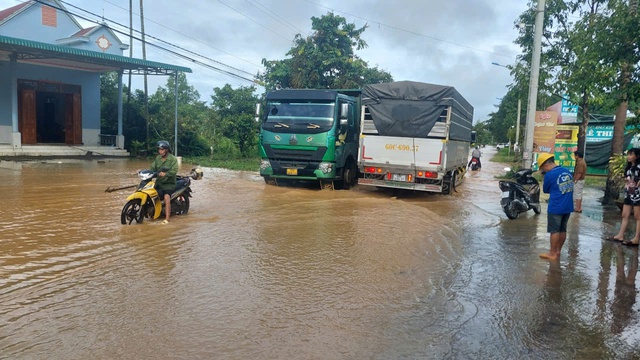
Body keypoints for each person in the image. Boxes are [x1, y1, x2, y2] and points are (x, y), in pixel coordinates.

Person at [537, 153, 574, 260]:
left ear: (546, 165)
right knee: (563, 230)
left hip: (556, 206)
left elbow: (546, 190)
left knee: (554, 231)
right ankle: (558, 251)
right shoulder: (567, 171)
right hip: (567, 206)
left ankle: (552, 253)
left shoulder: (549, 175)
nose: (544, 170)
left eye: (543, 168)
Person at [611, 148, 640, 246]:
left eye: (631, 155)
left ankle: (636, 238)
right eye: (628, 154)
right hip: (628, 192)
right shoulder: (628, 167)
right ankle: (620, 235)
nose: (629, 157)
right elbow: (626, 177)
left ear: (637, 156)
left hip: (638, 194)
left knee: (637, 216)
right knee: (625, 214)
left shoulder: (639, 167)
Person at [151, 140, 179, 224]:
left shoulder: (173, 159)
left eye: (162, 149)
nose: (160, 151)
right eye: (159, 149)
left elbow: (174, 171)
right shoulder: (158, 158)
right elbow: (152, 168)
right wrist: (145, 172)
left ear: (166, 150)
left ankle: (167, 219)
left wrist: (166, 174)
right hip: (159, 183)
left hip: (169, 184)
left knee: (167, 198)